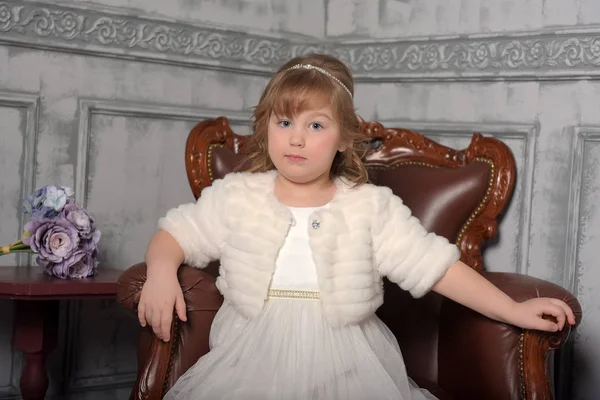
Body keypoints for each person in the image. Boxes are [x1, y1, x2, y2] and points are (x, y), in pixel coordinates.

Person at [138, 53, 576, 400]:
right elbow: (175, 234)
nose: (296, 138)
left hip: (346, 359)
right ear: (266, 126)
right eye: (284, 122)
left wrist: (512, 310)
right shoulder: (238, 196)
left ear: (344, 138)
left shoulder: (368, 207)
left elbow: (435, 266)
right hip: (248, 355)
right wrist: (160, 272)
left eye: (315, 125)